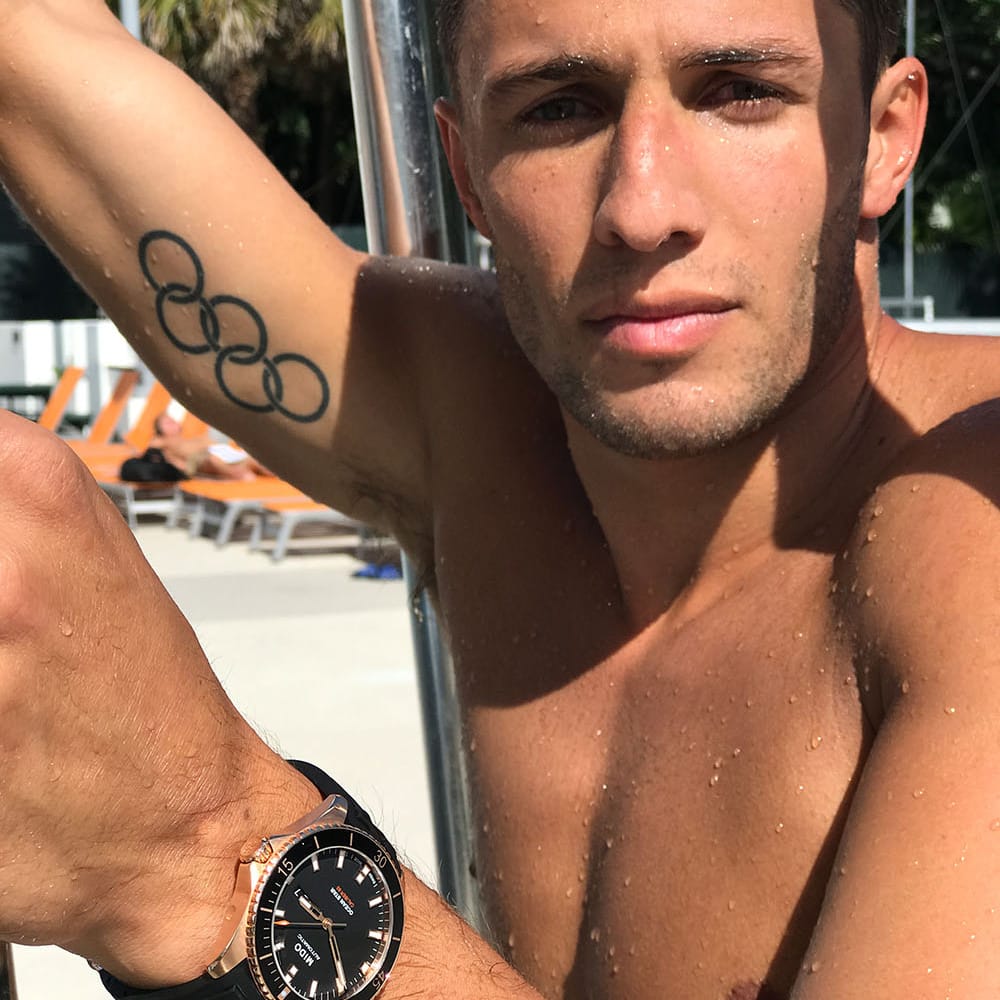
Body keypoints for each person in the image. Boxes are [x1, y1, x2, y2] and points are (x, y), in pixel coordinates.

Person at [0, 1, 997, 998]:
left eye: (739, 93)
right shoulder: (486, 423)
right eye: (560, 109)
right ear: (468, 172)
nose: (643, 207)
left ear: (884, 137)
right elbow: (39, 65)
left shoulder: (972, 523)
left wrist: (209, 853)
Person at [146, 413, 271, 481]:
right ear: (159, 430)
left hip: (221, 452)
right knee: (213, 459)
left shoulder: (189, 437)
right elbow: (150, 452)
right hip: (198, 459)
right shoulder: (162, 441)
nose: (173, 422)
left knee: (254, 459)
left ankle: (269, 473)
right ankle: (239, 474)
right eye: (167, 423)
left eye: (173, 420)